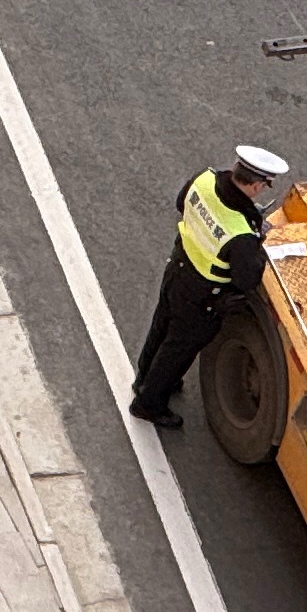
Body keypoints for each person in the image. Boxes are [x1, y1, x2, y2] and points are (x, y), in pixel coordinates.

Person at [126, 142, 289, 428]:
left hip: (178, 269)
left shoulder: (204, 180)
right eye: (264, 185)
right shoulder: (240, 232)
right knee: (179, 349)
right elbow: (247, 279)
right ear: (255, 187)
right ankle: (148, 404)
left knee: (161, 326)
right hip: (203, 296)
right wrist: (256, 241)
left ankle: (143, 379)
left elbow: (181, 203)